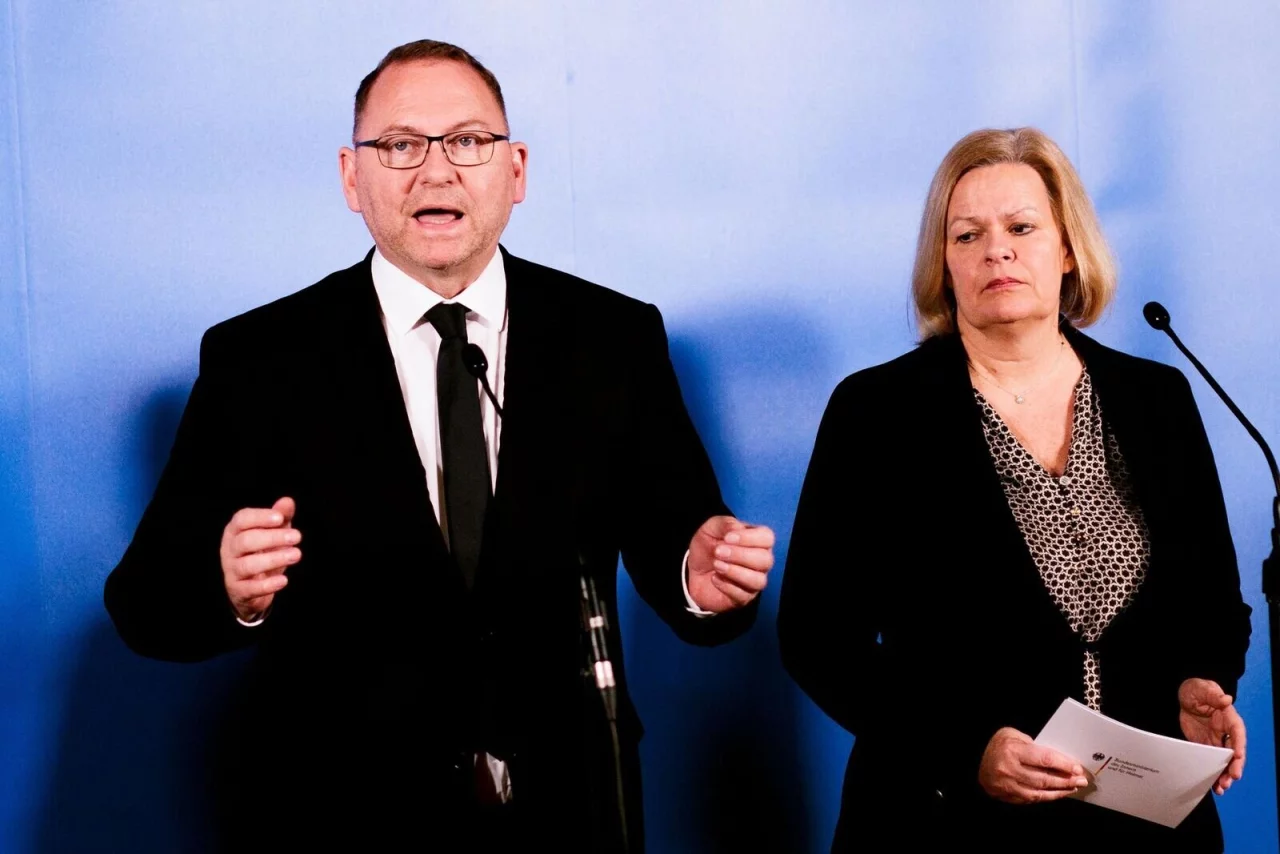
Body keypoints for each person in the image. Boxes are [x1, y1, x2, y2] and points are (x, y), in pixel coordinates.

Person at [104, 39, 774, 852]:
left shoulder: (611, 338)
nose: (435, 171)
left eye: (467, 141)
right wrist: (228, 584)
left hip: (569, 811)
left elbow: (685, 552)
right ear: (352, 177)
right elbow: (144, 605)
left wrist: (701, 580)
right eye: (399, 145)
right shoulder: (261, 359)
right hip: (346, 816)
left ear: (516, 170)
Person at [777, 127, 1251, 851]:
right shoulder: (876, 412)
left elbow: (1213, 603)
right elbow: (816, 638)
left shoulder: (1157, 398)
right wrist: (964, 747)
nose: (996, 251)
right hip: (944, 819)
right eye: (967, 235)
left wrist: (1201, 683)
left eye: (1021, 228)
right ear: (944, 264)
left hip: (1144, 825)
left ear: (1068, 249)